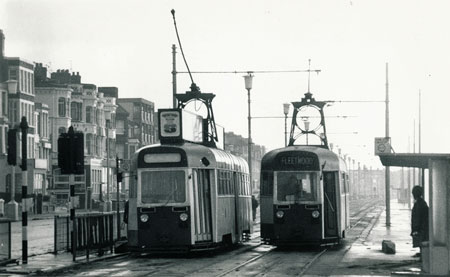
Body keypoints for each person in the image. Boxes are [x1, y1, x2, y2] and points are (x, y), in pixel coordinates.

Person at [410, 185, 429, 258]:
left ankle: (422, 255)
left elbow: (417, 218)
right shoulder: (422, 203)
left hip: (421, 227)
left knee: (421, 240)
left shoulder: (419, 204)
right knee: (422, 240)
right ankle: (422, 254)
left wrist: (415, 229)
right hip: (423, 227)